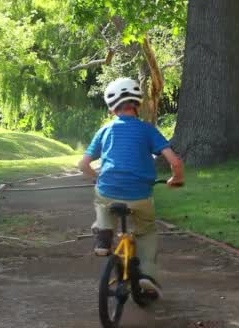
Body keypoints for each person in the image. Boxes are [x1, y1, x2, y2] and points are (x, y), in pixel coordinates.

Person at [78, 77, 185, 297]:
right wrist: (176, 179)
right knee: (146, 232)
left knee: (101, 199)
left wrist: (97, 178)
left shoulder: (105, 131)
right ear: (137, 104)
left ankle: (104, 233)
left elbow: (83, 164)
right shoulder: (147, 130)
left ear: (111, 107)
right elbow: (175, 162)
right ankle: (146, 274)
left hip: (109, 190)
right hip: (140, 195)